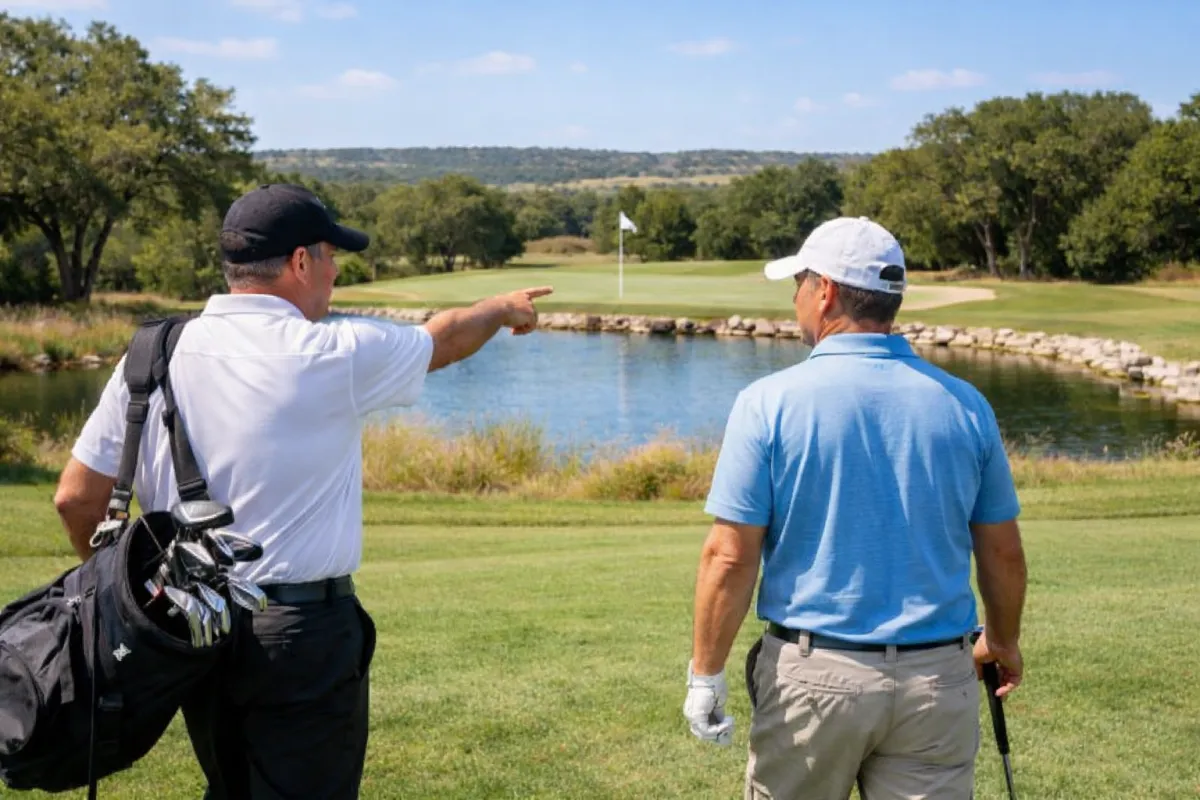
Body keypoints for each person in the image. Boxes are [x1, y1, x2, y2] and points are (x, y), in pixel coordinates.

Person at [52, 183, 553, 799]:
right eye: (331, 256)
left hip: (190, 626)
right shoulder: (333, 352)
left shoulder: (154, 351)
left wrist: (137, 602)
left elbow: (75, 498)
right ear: (298, 263)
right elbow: (442, 338)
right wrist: (501, 309)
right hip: (299, 633)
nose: (336, 271)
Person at [682, 216, 1028, 799]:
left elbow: (728, 557)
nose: (793, 300)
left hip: (814, 680)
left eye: (798, 284)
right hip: (937, 683)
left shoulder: (767, 403)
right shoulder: (966, 405)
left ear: (827, 292)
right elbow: (1003, 552)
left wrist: (705, 675)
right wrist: (1002, 641)